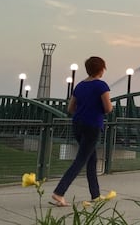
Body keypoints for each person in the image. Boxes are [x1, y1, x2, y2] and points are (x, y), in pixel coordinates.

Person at [51, 56, 114, 206]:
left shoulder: (79, 86)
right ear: (101, 69)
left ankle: (96, 195)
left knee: (91, 159)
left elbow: (70, 108)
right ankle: (59, 192)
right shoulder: (101, 86)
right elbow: (108, 108)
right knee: (81, 160)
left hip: (78, 125)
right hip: (92, 126)